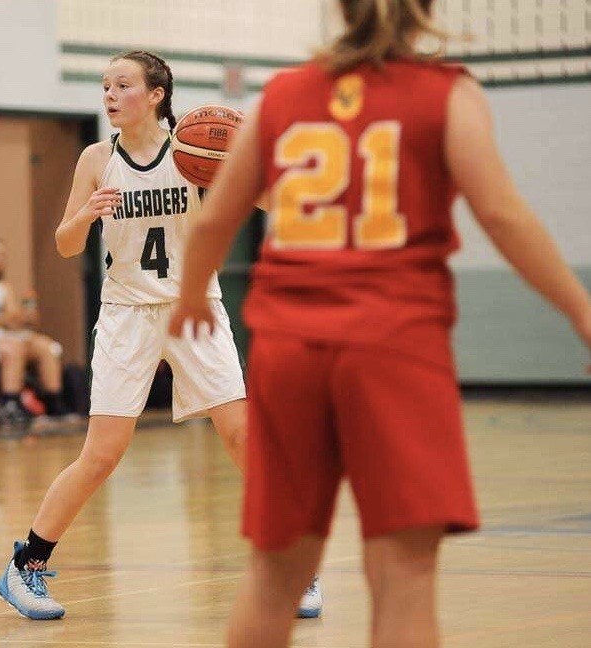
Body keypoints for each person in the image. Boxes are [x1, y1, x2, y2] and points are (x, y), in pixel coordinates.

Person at [169, 1, 591, 646]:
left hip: (290, 346)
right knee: (404, 577)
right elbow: (503, 215)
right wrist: (582, 313)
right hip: (395, 345)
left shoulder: (283, 95)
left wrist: (193, 294)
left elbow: (217, 216)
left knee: (274, 574)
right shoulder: (447, 93)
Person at [0, 50, 271, 621]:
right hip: (126, 311)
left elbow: (270, 200)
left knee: (243, 436)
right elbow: (65, 245)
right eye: (104, 86)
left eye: (122, 85)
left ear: (156, 94)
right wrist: (86, 215)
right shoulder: (97, 159)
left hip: (195, 303)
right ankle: (25, 569)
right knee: (101, 454)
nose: (110, 95)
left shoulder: (195, 153)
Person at [0, 237, 65, 422]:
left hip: (4, 333)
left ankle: (54, 402)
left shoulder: (4, 287)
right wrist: (3, 320)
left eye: (1, 255)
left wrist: (1, 319)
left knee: (46, 346)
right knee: (14, 347)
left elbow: (13, 318)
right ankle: (11, 402)